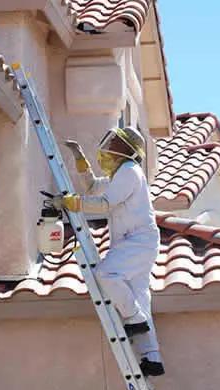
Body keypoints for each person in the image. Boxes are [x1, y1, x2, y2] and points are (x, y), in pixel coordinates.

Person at [59, 127, 165, 377]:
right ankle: (152, 357)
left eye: (115, 141)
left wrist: (74, 204)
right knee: (139, 296)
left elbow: (105, 203)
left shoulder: (129, 171)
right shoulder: (122, 174)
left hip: (138, 240)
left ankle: (133, 319)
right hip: (135, 241)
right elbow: (94, 187)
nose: (110, 143)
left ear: (125, 149)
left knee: (106, 274)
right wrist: (79, 158)